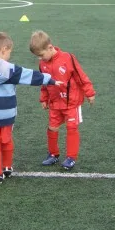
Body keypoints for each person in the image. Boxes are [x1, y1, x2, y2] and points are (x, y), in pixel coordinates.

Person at [0, 32, 63, 183]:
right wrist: (50, 80)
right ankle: (7, 167)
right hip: (8, 113)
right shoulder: (11, 69)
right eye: (10, 52)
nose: (9, 55)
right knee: (7, 140)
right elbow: (30, 76)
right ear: (4, 49)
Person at [29, 30, 96, 170]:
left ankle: (71, 157)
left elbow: (81, 76)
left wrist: (89, 92)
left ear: (50, 47)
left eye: (41, 55)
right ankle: (53, 154)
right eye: (38, 56)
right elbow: (44, 82)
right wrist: (44, 98)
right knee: (52, 128)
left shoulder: (68, 58)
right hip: (55, 103)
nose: (40, 59)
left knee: (72, 128)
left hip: (71, 102)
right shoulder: (42, 64)